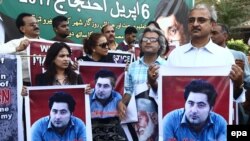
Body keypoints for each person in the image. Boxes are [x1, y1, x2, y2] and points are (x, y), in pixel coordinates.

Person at [161, 3, 245, 102]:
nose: (195, 24)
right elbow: (168, 91)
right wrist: (154, 84)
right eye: (191, 20)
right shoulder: (176, 55)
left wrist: (238, 84)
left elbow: (232, 99)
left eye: (201, 20)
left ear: (212, 25)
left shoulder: (224, 55)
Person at [118, 26, 167, 140]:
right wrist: (122, 103)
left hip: (160, 120)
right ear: (140, 44)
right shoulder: (132, 66)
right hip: (137, 121)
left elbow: (168, 94)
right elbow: (129, 91)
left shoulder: (167, 66)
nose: (148, 42)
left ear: (160, 45)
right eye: (145, 40)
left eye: (153, 40)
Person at [163, 79, 227, 141]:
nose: (194, 111)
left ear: (211, 109)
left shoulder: (221, 123)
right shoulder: (170, 121)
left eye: (201, 105)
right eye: (190, 103)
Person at [90, 69, 127, 141]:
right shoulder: (87, 96)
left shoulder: (117, 97)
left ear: (113, 88)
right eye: (99, 85)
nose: (101, 90)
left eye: (106, 86)